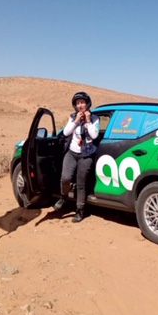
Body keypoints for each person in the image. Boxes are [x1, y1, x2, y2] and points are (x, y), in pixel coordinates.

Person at [53, 91, 100, 223]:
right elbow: (66, 132)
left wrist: (88, 121)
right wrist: (76, 121)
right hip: (72, 153)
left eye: (82, 102)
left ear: (87, 104)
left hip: (86, 155)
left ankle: (80, 210)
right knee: (65, 177)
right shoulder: (73, 117)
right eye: (78, 103)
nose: (80, 105)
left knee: (81, 183)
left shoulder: (95, 118)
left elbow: (94, 135)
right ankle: (63, 197)